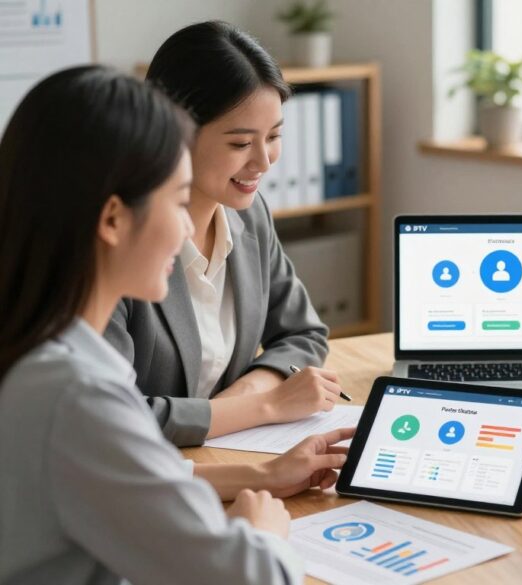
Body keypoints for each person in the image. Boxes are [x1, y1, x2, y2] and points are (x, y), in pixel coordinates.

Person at [0, 65, 354, 584]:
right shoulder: (76, 396)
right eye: (177, 199)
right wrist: (262, 535)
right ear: (114, 219)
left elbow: (121, 477)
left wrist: (264, 474)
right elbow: (249, 579)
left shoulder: (44, 358)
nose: (190, 226)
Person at [104, 21, 343, 447]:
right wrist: (262, 406)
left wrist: (250, 391)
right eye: (239, 144)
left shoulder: (249, 217)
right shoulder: (119, 240)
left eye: (273, 137)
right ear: (172, 132)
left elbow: (303, 333)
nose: (264, 162)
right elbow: (111, 417)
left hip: (227, 457)